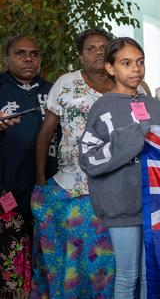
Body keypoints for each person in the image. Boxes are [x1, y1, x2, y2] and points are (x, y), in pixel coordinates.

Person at [31, 28, 117, 297]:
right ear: (80, 56)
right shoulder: (66, 83)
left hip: (115, 183)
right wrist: (42, 179)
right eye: (90, 48)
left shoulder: (125, 81)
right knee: (72, 256)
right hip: (70, 183)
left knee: (106, 260)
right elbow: (45, 134)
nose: (97, 51)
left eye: (103, 46)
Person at [80, 37, 160, 299]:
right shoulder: (103, 107)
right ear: (110, 68)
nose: (136, 69)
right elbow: (88, 158)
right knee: (128, 275)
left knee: (150, 275)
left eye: (140, 62)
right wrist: (135, 134)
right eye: (126, 63)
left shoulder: (154, 106)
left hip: (153, 202)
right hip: (120, 202)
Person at [0, 35, 58, 296]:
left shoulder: (54, 91)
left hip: (49, 192)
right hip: (7, 193)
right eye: (20, 53)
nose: (28, 59)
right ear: (7, 57)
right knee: (9, 267)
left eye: (34, 54)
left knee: (46, 264)